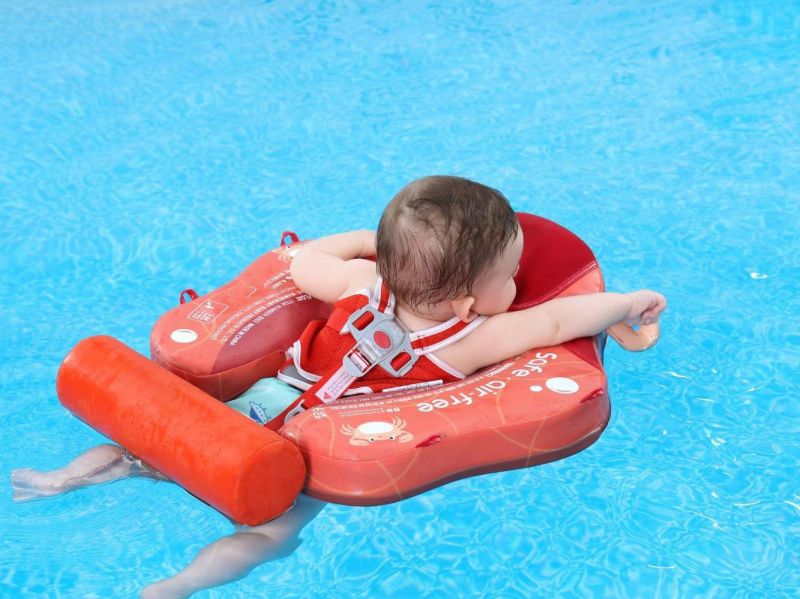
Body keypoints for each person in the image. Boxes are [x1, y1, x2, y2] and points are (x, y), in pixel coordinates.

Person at [12, 175, 667, 597]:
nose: (519, 285)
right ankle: (176, 587)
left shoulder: (360, 283)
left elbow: (300, 261)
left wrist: (363, 243)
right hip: (300, 450)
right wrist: (629, 301)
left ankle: (62, 479)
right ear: (469, 303)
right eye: (511, 275)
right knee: (270, 535)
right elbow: (557, 318)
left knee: (145, 456)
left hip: (263, 400)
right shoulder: (470, 341)